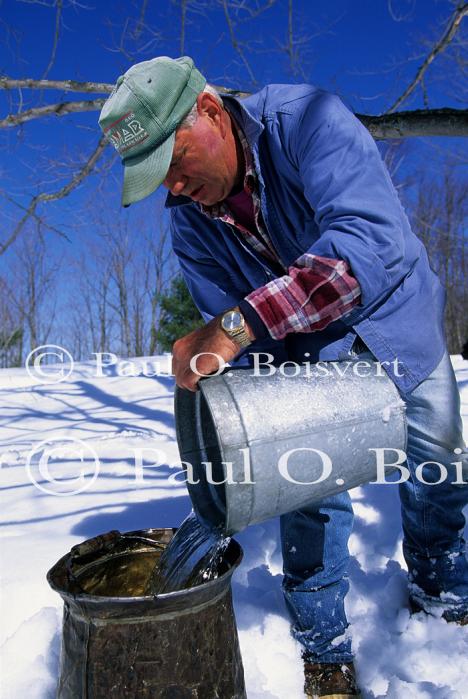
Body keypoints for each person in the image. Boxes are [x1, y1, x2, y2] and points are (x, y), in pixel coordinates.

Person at [99, 56, 468, 698]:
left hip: (395, 321)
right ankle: (325, 650)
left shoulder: (308, 122)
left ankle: (443, 599)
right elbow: (231, 332)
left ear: (211, 111)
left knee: (435, 469)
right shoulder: (190, 221)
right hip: (303, 349)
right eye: (156, 177)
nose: (173, 187)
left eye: (174, 162)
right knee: (306, 494)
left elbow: (366, 249)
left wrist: (238, 326)